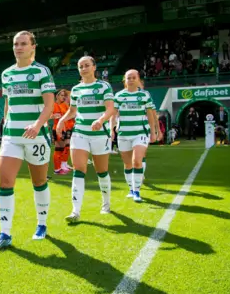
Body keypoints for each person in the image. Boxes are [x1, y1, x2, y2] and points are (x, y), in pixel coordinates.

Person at [0, 31, 56, 249]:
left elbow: (49, 106)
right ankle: (4, 233)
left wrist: (37, 125)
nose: (19, 47)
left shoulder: (41, 72)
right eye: (16, 44)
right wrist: (5, 123)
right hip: (12, 136)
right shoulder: (6, 74)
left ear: (32, 47)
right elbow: (8, 103)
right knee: (5, 182)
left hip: (36, 137)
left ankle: (42, 224)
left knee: (39, 182)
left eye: (23, 43)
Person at [56, 56, 116, 222]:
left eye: (87, 65)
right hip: (80, 133)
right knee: (78, 169)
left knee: (101, 171)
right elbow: (73, 111)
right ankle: (75, 211)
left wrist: (100, 120)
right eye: (80, 66)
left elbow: (110, 109)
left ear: (94, 67)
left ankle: (106, 204)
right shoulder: (75, 89)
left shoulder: (104, 86)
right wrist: (62, 120)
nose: (83, 69)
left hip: (99, 134)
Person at [110, 70, 158, 203]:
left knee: (137, 161)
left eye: (133, 77)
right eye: (128, 78)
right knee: (127, 164)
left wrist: (153, 132)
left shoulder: (144, 95)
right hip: (124, 134)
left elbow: (150, 114)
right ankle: (131, 189)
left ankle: (137, 191)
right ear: (124, 80)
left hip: (140, 133)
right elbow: (113, 115)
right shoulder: (119, 96)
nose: (131, 80)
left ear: (138, 79)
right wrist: (111, 129)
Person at [51, 89, 71, 175]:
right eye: (61, 95)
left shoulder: (65, 105)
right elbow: (48, 115)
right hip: (57, 129)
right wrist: (53, 116)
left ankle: (61, 166)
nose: (63, 97)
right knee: (58, 149)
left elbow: (69, 115)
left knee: (64, 148)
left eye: (64, 95)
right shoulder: (53, 105)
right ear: (57, 96)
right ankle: (57, 168)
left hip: (65, 129)